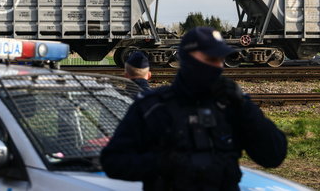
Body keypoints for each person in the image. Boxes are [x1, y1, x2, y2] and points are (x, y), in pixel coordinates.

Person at [101, 27, 287, 191]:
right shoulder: (153, 106)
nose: (217, 65)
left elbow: (274, 156)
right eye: (209, 58)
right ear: (188, 59)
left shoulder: (231, 105)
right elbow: (114, 162)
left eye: (219, 59)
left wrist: (245, 107)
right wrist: (164, 162)